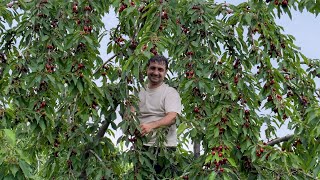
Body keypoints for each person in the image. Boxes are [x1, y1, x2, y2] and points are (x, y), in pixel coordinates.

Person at [138, 55, 182, 177]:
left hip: (164, 149)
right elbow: (130, 114)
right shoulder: (138, 92)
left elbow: (172, 117)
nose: (156, 72)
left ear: (166, 72)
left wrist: (151, 126)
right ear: (147, 69)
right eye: (153, 68)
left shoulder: (170, 93)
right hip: (141, 148)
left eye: (160, 69)